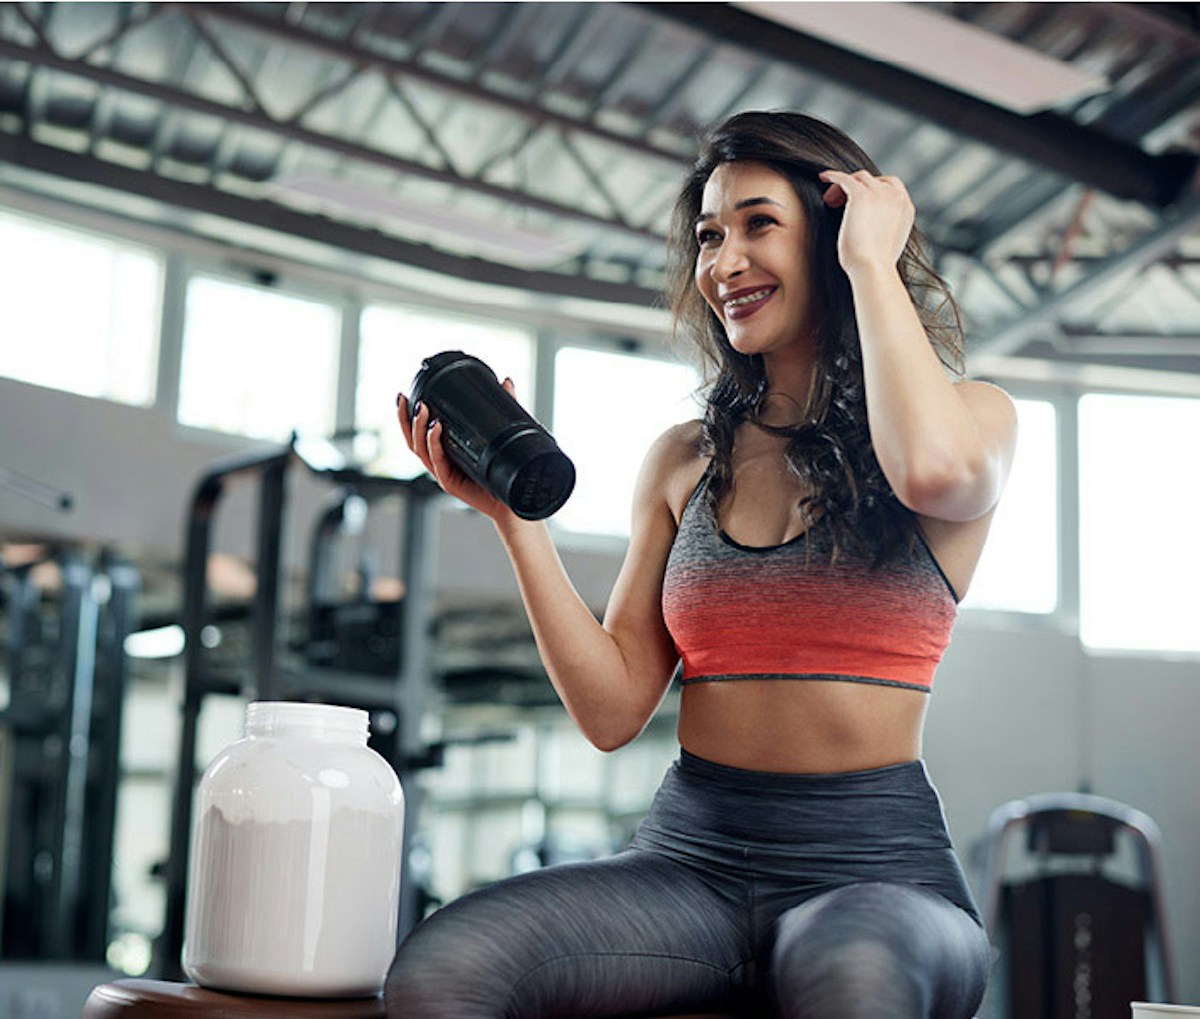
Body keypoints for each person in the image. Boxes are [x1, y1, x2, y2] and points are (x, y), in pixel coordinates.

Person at [386, 110, 1017, 1019]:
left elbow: (932, 471)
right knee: (447, 966)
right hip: (692, 863)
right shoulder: (686, 457)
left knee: (852, 980)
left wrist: (872, 264)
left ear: (839, 231)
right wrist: (513, 523)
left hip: (878, 874)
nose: (722, 264)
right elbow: (612, 710)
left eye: (760, 224)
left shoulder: (971, 419)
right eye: (710, 236)